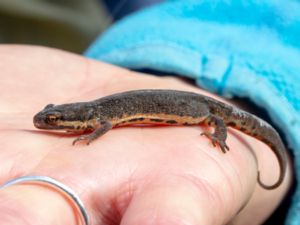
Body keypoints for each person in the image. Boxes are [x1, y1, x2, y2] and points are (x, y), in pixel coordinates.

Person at [0, 1, 298, 225]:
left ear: (71, 119)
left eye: (52, 119)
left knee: (217, 118)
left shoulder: (97, 119)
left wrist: (220, 134)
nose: (45, 123)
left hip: (209, 108)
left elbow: (102, 125)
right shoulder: (96, 114)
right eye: (50, 117)